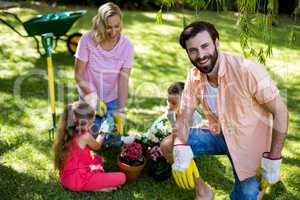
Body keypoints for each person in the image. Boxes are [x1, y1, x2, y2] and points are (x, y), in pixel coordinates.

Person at [160, 21, 289, 200]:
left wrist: (273, 159)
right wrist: (180, 147)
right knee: (169, 146)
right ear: (188, 53)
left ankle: (255, 187)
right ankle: (203, 192)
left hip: (249, 145)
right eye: (193, 50)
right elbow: (184, 116)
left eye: (205, 46)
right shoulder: (194, 76)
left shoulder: (248, 71)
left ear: (217, 43)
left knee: (246, 195)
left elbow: (281, 112)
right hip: (219, 133)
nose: (201, 55)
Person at [74, 2, 134, 137]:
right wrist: (93, 99)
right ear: (100, 25)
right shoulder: (87, 40)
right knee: (92, 135)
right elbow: (78, 75)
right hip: (89, 98)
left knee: (112, 138)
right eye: (108, 27)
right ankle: (79, 116)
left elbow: (123, 80)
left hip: (112, 99)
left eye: (117, 26)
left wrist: (121, 110)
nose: (113, 32)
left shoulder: (127, 46)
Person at [53, 101, 126, 191]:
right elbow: (97, 146)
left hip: (66, 177)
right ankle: (95, 188)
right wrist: (103, 131)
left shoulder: (67, 132)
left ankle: (96, 186)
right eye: (90, 123)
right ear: (82, 122)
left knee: (97, 161)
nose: (91, 125)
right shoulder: (84, 136)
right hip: (78, 179)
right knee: (122, 177)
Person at [142, 82, 202, 147]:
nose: (169, 106)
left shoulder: (194, 118)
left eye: (173, 103)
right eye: (168, 101)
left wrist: (172, 120)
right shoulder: (167, 115)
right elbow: (152, 132)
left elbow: (187, 140)